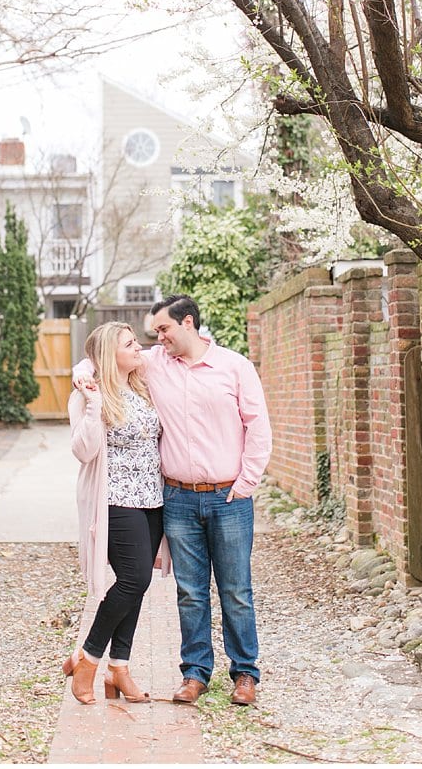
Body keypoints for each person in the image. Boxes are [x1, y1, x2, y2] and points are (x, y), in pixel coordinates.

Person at [74, 295, 272, 707]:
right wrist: (81, 374)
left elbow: (258, 427)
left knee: (236, 589)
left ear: (187, 323)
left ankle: (245, 674)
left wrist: (246, 483)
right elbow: (102, 357)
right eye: (153, 334)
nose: (155, 338)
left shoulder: (234, 367)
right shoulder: (155, 364)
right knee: (190, 591)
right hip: (176, 498)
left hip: (228, 495)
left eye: (162, 329)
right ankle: (195, 673)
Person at [64, 321, 169, 705]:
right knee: (132, 579)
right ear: (111, 354)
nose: (138, 346)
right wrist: (92, 402)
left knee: (138, 585)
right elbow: (84, 451)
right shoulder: (88, 396)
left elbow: (170, 352)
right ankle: (87, 659)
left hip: (152, 499)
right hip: (115, 500)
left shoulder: (141, 386)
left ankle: (119, 669)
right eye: (129, 343)